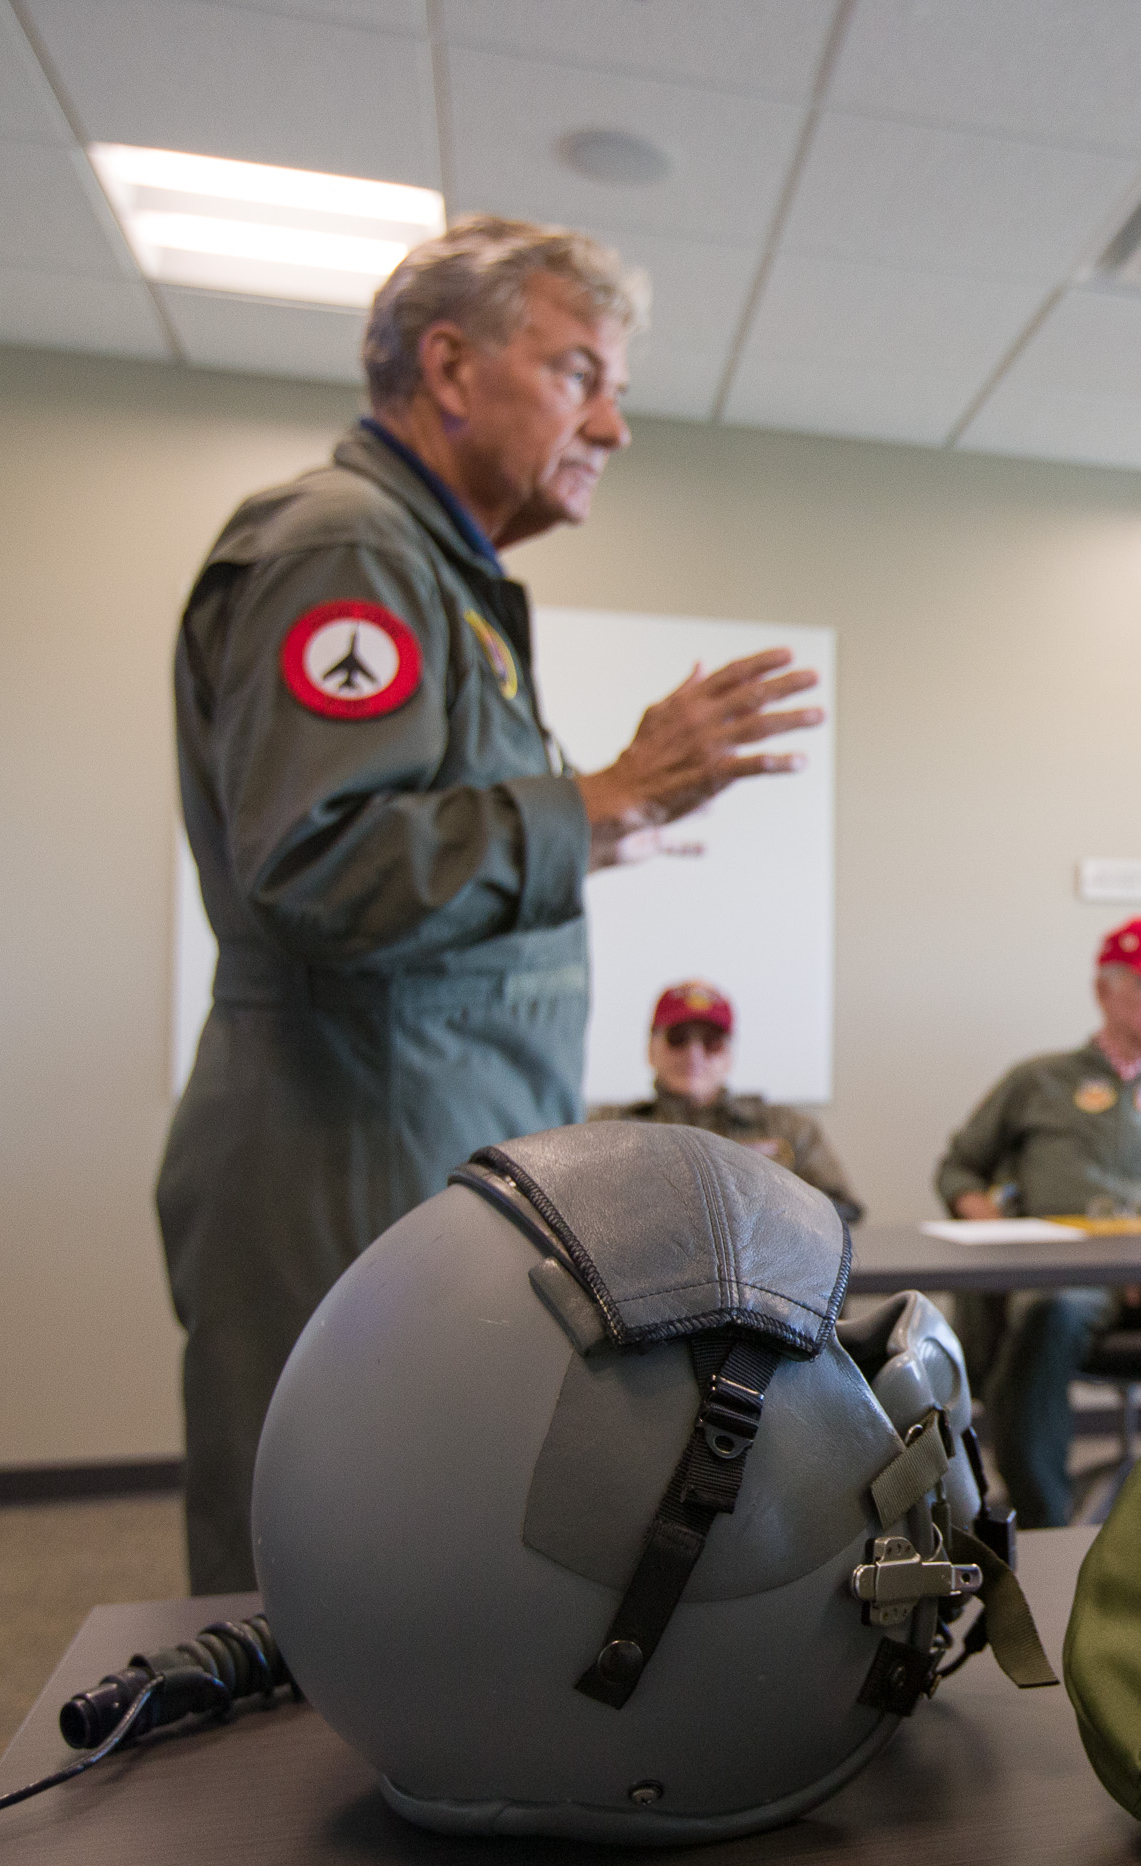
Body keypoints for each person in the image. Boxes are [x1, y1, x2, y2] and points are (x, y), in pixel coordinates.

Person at [157, 216, 824, 1593]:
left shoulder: (431, 570)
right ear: (449, 368)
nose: (615, 425)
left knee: (415, 1539)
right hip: (343, 1144)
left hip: (406, 1130)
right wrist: (606, 796)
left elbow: (407, 844)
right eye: (581, 372)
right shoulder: (343, 549)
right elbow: (322, 869)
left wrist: (609, 817)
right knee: (320, 1556)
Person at [934, 918, 1141, 1528]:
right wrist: (995, 1226)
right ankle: (1044, 1520)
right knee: (1046, 1314)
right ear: (1104, 991)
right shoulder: (1039, 1081)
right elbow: (959, 1170)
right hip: (1072, 1274)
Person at [590, 979, 861, 1221]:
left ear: (729, 1055)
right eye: (678, 1038)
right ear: (651, 1049)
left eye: (712, 1042)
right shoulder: (605, 1130)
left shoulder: (789, 1128)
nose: (693, 1054)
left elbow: (844, 1211)